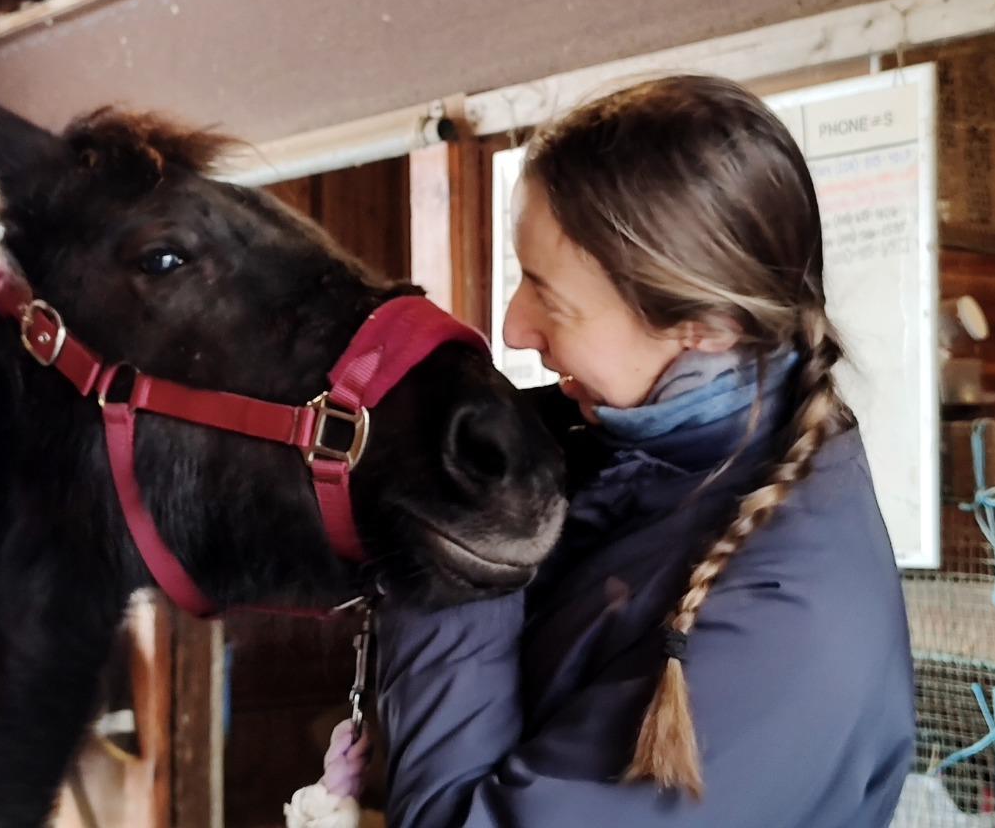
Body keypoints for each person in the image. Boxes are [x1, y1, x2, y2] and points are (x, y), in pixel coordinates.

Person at [373, 75, 916, 827]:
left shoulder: (783, 641)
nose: (513, 327)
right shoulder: (631, 455)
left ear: (707, 326)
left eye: (546, 293)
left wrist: (459, 550)